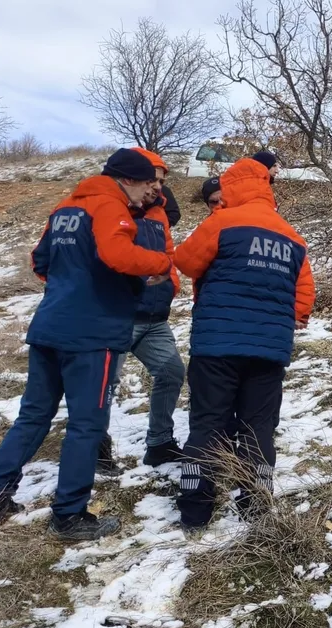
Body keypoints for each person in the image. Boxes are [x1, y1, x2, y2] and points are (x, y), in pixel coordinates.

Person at [0, 149, 172, 540]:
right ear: (128, 180)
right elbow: (117, 253)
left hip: (50, 326)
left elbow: (39, 261)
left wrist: (75, 284)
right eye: (147, 184)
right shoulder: (110, 205)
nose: (148, 193)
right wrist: (159, 265)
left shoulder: (66, 208)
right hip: (92, 335)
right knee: (86, 424)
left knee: (33, 415)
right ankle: (70, 514)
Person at [173, 157, 315, 534]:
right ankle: (256, 503)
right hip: (269, 349)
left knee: (208, 423)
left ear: (232, 188)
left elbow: (185, 262)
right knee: (258, 427)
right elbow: (304, 295)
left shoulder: (221, 222)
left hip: (216, 345)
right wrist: (293, 315)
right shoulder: (292, 235)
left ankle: (195, 509)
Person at [98, 147, 187, 471]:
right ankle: (95, 445)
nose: (158, 187)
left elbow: (168, 252)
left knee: (172, 372)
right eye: (153, 180)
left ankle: (160, 443)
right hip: (118, 315)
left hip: (154, 317)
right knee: (103, 384)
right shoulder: (110, 208)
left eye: (162, 181)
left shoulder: (160, 212)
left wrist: (170, 285)